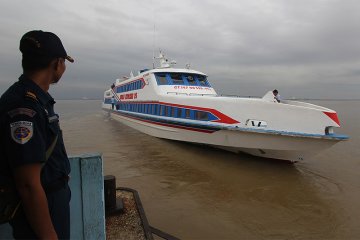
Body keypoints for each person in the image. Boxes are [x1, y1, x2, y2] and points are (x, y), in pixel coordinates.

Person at [0, 30, 74, 239]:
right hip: (40, 209)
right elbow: (28, 184)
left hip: (51, 201)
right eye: (64, 62)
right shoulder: (24, 106)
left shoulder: (37, 100)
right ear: (57, 63)